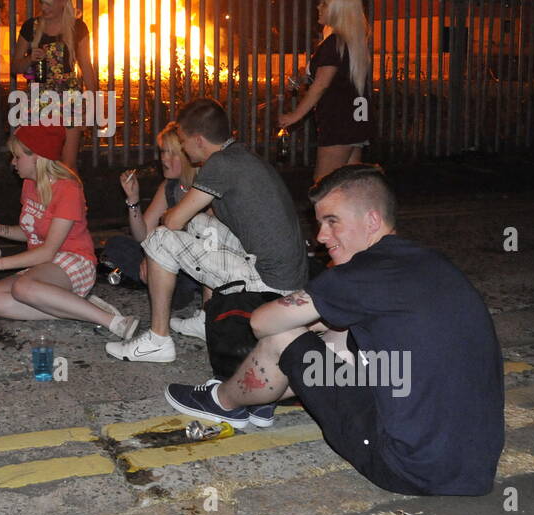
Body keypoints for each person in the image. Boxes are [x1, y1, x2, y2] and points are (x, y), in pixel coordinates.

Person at [163, 165, 505, 495]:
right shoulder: (431, 264)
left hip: (406, 466)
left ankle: (223, 402)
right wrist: (325, 317)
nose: (321, 236)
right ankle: (264, 398)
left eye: (332, 222)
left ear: (371, 220)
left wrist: (308, 311)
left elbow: (261, 322)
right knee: (343, 331)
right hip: (471, 466)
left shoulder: (359, 276)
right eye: (319, 224)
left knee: (285, 338)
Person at [107, 97, 307, 364]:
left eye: (183, 141)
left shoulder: (219, 165)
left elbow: (173, 222)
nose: (183, 148)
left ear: (199, 140)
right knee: (202, 225)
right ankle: (207, 319)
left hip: (269, 281)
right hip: (287, 274)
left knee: (159, 239)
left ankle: (158, 340)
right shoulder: (239, 155)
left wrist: (169, 220)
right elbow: (196, 221)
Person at [0, 124, 137, 343]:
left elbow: (47, 251)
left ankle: (113, 321)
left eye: (17, 157)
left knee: (23, 287)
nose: (13, 162)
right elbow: (31, 234)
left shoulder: (67, 189)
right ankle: (82, 309)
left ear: (38, 157)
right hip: (45, 265)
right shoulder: (29, 184)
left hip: (74, 260)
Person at [104, 122, 202, 312]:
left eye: (171, 153)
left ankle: (166, 287)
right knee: (117, 245)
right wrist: (133, 199)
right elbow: (142, 235)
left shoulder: (203, 185)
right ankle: (163, 284)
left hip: (195, 261)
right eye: (162, 152)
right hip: (169, 260)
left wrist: (154, 259)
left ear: (187, 156)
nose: (164, 158)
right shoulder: (170, 186)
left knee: (179, 274)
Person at [279, 0, 372, 182]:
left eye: (325, 3)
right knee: (349, 187)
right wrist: (301, 78)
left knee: (324, 187)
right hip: (356, 123)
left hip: (339, 124)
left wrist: (294, 116)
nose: (318, 7)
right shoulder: (354, 42)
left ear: (339, 10)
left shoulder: (334, 43)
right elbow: (333, 76)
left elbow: (321, 85)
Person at [11, 0, 98, 170]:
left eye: (49, 3)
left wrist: (94, 104)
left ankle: (70, 200)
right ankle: (40, 200)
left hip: (70, 99)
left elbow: (87, 68)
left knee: (68, 165)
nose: (44, 8)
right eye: (41, 2)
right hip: (38, 99)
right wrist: (29, 59)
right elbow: (15, 67)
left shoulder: (78, 28)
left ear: (62, 1)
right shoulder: (30, 27)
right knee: (39, 162)